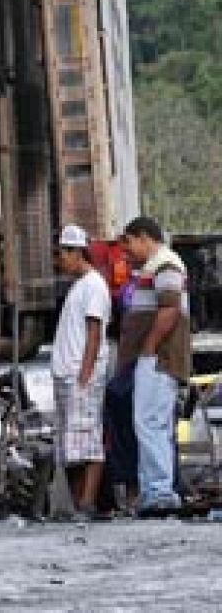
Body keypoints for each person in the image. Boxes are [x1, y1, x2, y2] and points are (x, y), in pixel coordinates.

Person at [120, 216, 192, 516]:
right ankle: (154, 490)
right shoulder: (153, 267)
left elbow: (169, 309)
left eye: (129, 243)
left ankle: (159, 490)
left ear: (143, 237)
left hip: (159, 359)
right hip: (155, 358)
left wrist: (149, 347)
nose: (128, 251)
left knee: (150, 423)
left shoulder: (166, 264)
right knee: (151, 423)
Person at [50, 225, 111, 516]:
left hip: (80, 375)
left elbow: (94, 332)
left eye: (63, 253)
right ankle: (78, 505)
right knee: (71, 448)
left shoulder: (94, 286)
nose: (60, 260)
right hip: (67, 375)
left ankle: (87, 502)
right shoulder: (78, 286)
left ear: (77, 252)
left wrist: (85, 375)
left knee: (89, 442)